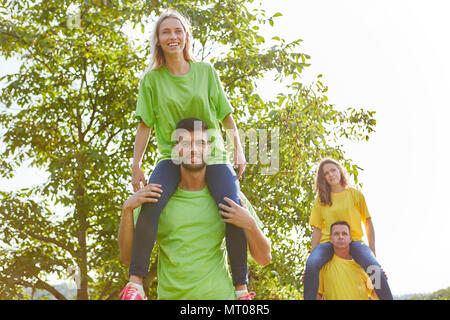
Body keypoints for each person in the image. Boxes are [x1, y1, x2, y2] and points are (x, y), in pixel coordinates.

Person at [126, 8, 250, 297]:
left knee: (232, 208)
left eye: (178, 31)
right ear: (158, 40)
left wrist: (239, 151)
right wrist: (136, 165)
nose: (173, 36)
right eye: (166, 32)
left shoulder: (206, 72)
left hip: (213, 156)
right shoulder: (151, 80)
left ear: (186, 37)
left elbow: (226, 116)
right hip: (172, 157)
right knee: (151, 203)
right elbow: (145, 125)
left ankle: (242, 288)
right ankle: (135, 283)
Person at [119, 118, 271, 300]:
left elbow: (264, 258)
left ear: (209, 149)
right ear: (176, 150)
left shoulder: (230, 197)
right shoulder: (156, 197)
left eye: (201, 143)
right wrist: (127, 210)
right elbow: (128, 258)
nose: (194, 149)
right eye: (186, 143)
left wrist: (251, 225)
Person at [304, 158, 393, 300]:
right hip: (328, 242)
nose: (331, 174)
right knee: (312, 264)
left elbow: (368, 222)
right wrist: (311, 262)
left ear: (340, 171)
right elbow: (317, 230)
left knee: (374, 267)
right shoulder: (320, 200)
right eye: (326, 173)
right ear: (323, 178)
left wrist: (372, 252)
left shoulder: (355, 194)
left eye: (333, 170)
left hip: (355, 241)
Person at [317, 221, 379, 300]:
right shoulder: (324, 266)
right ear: (331, 239)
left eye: (344, 234)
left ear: (350, 238)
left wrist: (379, 278)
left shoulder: (362, 264)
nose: (340, 237)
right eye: (336, 234)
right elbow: (318, 294)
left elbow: (374, 294)